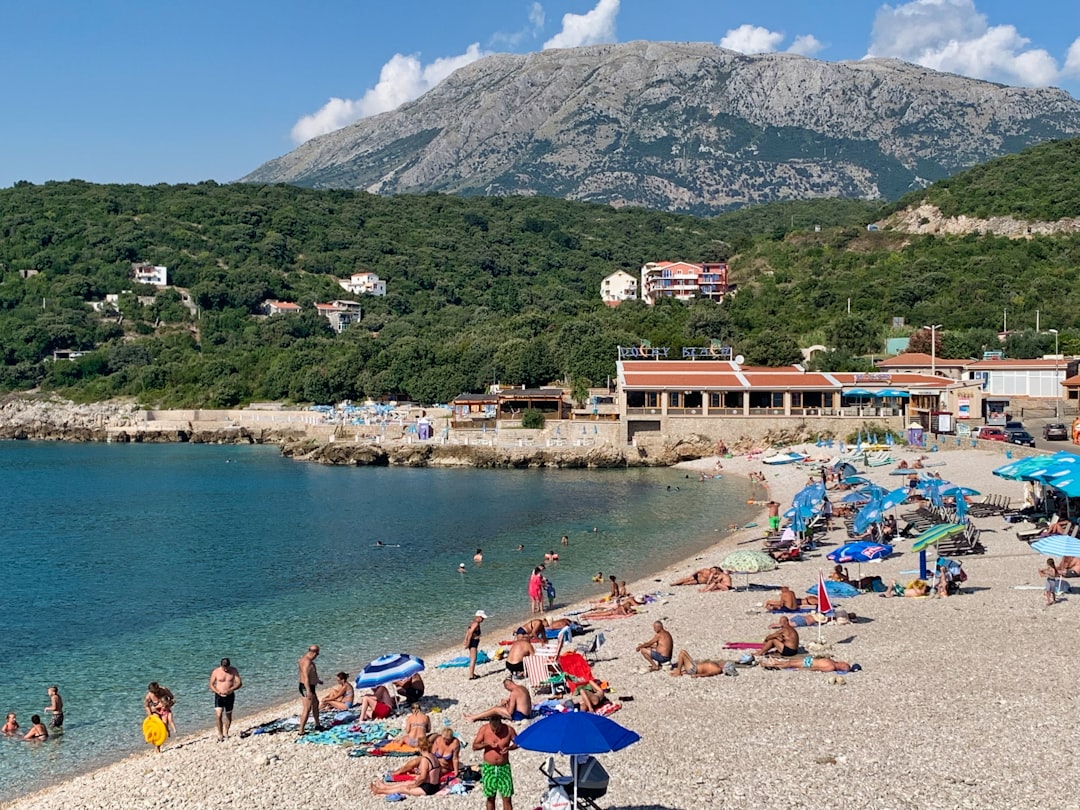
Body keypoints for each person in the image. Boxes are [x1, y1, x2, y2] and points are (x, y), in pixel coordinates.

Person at [369, 734, 443, 797]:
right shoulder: (433, 756)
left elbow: (423, 777)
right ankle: (385, 787)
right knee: (407, 783)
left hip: (428, 789)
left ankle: (380, 791)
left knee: (404, 789)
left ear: (420, 747)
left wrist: (414, 785)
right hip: (434, 786)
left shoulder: (425, 760)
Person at [473, 715, 517, 810]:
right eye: (493, 730)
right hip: (489, 767)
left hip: (503, 767)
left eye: (497, 729)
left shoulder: (509, 730)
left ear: (501, 724)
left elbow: (518, 743)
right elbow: (475, 746)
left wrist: (509, 748)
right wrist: (487, 744)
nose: (495, 732)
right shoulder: (484, 729)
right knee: (490, 797)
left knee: (507, 796)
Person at [465, 678, 532, 722]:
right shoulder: (523, 688)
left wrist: (506, 704)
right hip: (528, 713)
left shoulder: (514, 693)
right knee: (499, 708)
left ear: (507, 686)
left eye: (507, 689)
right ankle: (474, 716)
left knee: (496, 709)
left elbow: (510, 712)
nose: (509, 691)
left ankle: (474, 717)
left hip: (520, 716)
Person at [209, 657, 242, 741]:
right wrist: (217, 691)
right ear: (221, 665)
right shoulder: (216, 672)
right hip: (219, 696)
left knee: (228, 715)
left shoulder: (233, 671)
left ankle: (226, 732)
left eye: (227, 667)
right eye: (224, 667)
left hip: (230, 696)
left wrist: (231, 689)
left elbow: (239, 683)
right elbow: (211, 684)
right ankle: (220, 734)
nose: (226, 669)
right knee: (219, 715)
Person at [297, 645, 324, 735]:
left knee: (316, 703)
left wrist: (317, 680)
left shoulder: (303, 660)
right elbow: (305, 676)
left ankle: (317, 724)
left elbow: (311, 673)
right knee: (307, 708)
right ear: (314, 653)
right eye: (317, 654)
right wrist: (308, 690)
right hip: (306, 687)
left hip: (310, 686)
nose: (317, 656)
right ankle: (301, 730)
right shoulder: (307, 661)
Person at [670, 650, 735, 678]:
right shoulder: (717, 666)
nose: (724, 662)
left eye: (725, 663)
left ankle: (678, 672)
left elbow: (709, 674)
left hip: (694, 669)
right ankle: (679, 671)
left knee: (682, 653)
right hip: (694, 666)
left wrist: (698, 675)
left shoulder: (718, 669)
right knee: (683, 652)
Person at [761, 656, 861, 673]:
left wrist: (804, 669)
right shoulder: (834, 663)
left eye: (845, 664)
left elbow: (818, 668)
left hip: (809, 664)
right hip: (810, 660)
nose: (844, 662)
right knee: (790, 662)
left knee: (791, 665)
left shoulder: (831, 667)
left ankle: (773, 666)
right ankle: (777, 662)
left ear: (843, 667)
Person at [465, 610, 487, 680]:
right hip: (473, 642)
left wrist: (465, 640)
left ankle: (472, 673)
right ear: (479, 617)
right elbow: (470, 632)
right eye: (482, 618)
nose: (483, 619)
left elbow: (468, 631)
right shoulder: (476, 624)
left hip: (473, 642)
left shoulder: (473, 622)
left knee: (473, 658)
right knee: (473, 659)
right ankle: (471, 675)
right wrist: (468, 642)